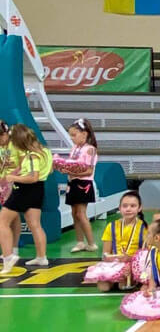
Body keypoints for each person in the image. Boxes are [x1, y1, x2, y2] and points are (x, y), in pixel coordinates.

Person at [0, 125, 53, 273]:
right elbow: (49, 170)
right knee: (35, 224)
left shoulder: (31, 155)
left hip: (24, 190)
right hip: (39, 189)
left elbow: (33, 177)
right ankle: (41, 257)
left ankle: (8, 256)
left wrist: (13, 178)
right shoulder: (45, 151)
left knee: (2, 222)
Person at [60, 118, 99, 253]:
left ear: (84, 134)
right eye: (70, 135)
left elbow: (89, 171)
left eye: (74, 135)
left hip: (84, 183)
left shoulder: (90, 150)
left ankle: (91, 243)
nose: (72, 138)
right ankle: (80, 242)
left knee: (81, 213)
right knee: (74, 213)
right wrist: (64, 168)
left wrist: (72, 172)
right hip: (72, 182)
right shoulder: (74, 148)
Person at [96, 191, 146, 291]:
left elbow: (146, 256)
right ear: (119, 208)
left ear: (139, 208)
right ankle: (116, 278)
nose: (128, 209)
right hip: (115, 264)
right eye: (125, 206)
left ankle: (130, 279)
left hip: (134, 265)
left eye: (133, 206)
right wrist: (116, 260)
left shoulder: (144, 228)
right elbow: (105, 254)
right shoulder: (111, 226)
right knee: (103, 287)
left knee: (122, 285)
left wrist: (130, 261)